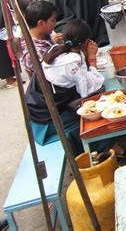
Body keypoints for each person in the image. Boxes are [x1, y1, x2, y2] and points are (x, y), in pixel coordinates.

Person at [25, 19, 104, 156]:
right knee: (95, 119)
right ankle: (103, 149)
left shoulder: (57, 50)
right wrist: (92, 58)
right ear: (85, 42)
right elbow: (89, 88)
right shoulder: (70, 63)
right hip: (46, 122)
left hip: (39, 109)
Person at [21, 1, 62, 79]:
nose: (55, 23)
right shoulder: (33, 52)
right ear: (41, 23)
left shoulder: (47, 35)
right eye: (53, 20)